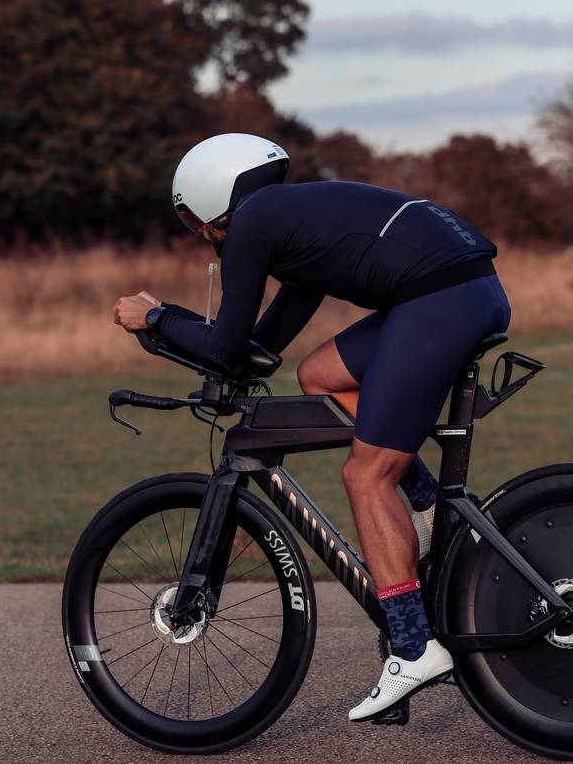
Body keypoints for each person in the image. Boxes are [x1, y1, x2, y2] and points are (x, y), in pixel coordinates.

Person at [112, 133, 511, 721]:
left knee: (366, 477)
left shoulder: (251, 224)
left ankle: (412, 646)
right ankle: (427, 510)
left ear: (207, 207)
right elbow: (258, 347)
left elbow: (224, 343)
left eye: (198, 225)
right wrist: (222, 357)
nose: (206, 237)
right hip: (464, 290)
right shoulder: (293, 220)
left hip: (439, 300)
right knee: (319, 374)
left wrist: (156, 316)